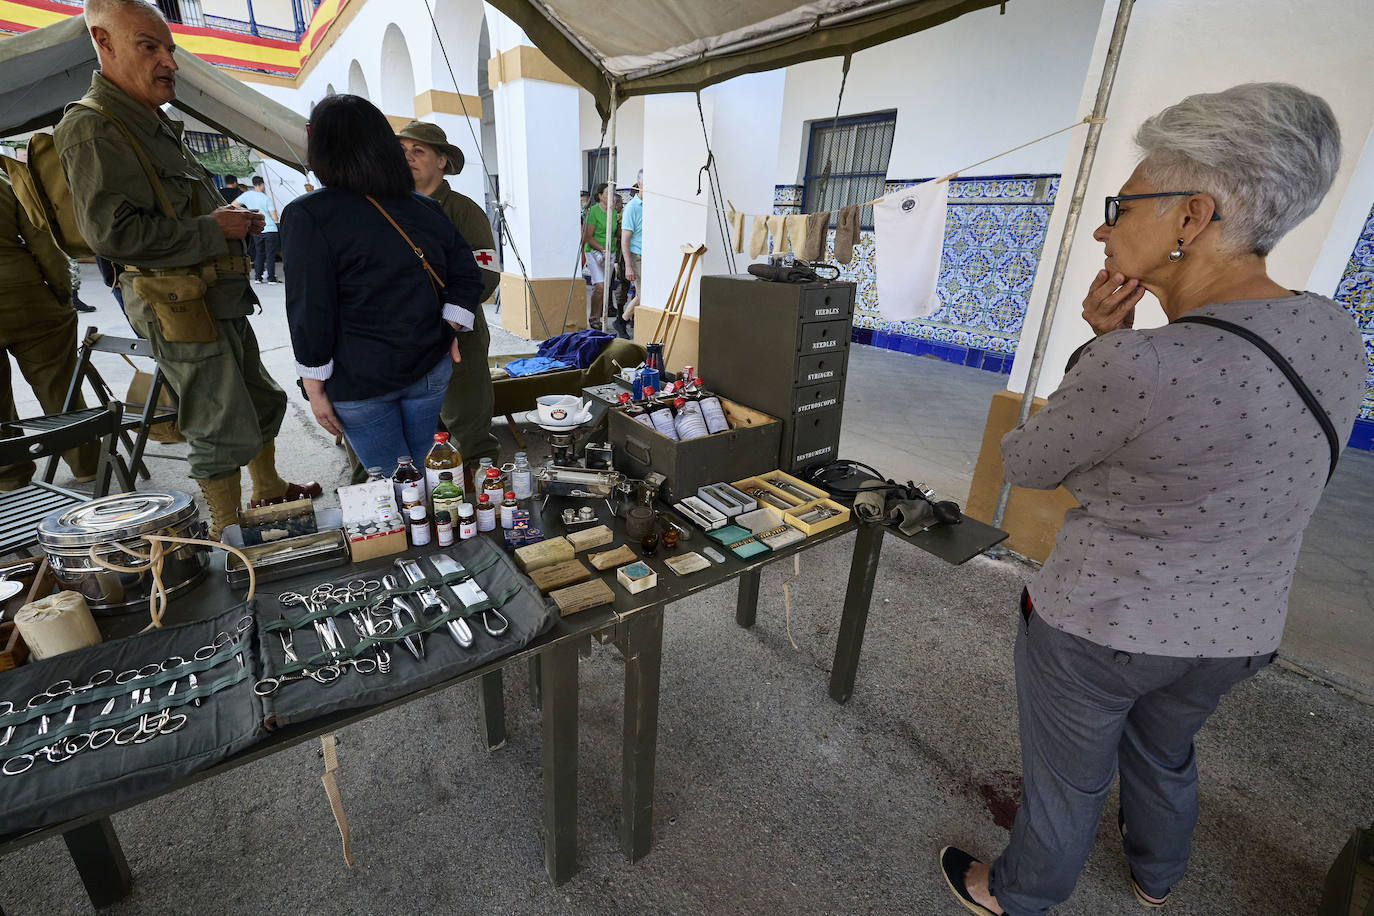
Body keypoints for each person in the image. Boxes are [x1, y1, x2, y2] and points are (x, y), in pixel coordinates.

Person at [940, 83, 1365, 916]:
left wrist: (1099, 350)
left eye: (1122, 206)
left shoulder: (1140, 364)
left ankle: (1020, 894)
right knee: (1166, 752)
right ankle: (1155, 877)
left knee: (1068, 778)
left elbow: (1029, 460)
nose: (1103, 227)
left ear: (1191, 217)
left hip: (1105, 627)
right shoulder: (1332, 328)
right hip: (1239, 630)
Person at [55, 0, 319, 538]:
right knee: (216, 419)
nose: (168, 63)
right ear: (103, 43)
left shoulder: (150, 121)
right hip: (175, 303)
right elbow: (113, 235)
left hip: (214, 296)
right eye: (148, 47)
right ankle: (230, 535)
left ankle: (267, 491)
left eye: (169, 50)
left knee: (260, 398)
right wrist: (212, 230)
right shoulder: (93, 127)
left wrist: (220, 222)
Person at [280, 95, 483, 474]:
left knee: (393, 480)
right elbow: (466, 277)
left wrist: (314, 386)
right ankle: (445, 529)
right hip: (428, 365)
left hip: (361, 380)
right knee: (428, 465)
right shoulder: (422, 208)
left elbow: (311, 310)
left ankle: (414, 533)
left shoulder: (309, 214)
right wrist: (448, 327)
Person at [397, 119, 500, 475]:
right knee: (421, 424)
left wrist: (447, 323)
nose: (408, 157)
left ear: (442, 161)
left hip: (460, 333)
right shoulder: (390, 208)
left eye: (418, 150)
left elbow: (486, 274)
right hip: (408, 333)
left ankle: (483, 501)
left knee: (468, 425)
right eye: (402, 151)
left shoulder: (462, 210)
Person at [0, 174, 99, 490]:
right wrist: (60, 290)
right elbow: (41, 238)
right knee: (58, 385)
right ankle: (87, 464)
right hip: (26, 296)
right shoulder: (4, 182)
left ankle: (10, 475)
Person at [582, 182, 619, 331]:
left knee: (605, 288)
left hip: (610, 253)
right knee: (599, 286)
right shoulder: (593, 212)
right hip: (594, 251)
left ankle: (600, 316)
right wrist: (602, 249)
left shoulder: (614, 212)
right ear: (599, 196)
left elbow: (615, 232)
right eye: (607, 193)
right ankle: (594, 317)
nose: (610, 196)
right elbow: (588, 237)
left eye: (612, 193)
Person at [234, 176, 279, 283]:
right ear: (262, 184)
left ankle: (258, 277)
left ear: (253, 185)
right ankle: (271, 278)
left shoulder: (247, 195)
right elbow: (274, 217)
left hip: (257, 229)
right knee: (270, 255)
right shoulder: (266, 198)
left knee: (259, 253)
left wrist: (246, 213)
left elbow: (233, 205)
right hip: (270, 229)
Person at [618, 170, 644, 338]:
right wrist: (628, 266)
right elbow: (624, 240)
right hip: (637, 256)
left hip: (650, 257)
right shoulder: (632, 208)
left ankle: (622, 320)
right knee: (645, 295)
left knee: (644, 294)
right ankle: (622, 320)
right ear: (639, 184)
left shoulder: (653, 206)